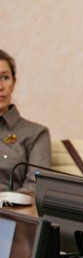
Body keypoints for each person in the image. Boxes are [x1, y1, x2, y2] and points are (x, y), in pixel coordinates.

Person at [0, 49, 51, 192]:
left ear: (14, 82)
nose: (0, 87)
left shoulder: (36, 133)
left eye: (4, 77)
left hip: (11, 210)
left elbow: (35, 186)